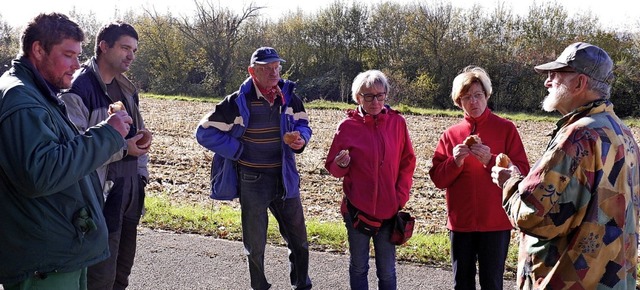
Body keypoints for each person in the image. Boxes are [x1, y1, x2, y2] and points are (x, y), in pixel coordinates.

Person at [0, 13, 133, 289]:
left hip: (59, 252)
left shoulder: (37, 92)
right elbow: (41, 172)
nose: (76, 65)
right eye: (69, 55)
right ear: (38, 50)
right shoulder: (22, 100)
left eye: (78, 55)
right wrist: (108, 134)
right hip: (45, 262)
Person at [491, 42, 639, 289]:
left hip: (570, 281)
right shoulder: (624, 133)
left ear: (580, 83)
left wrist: (510, 183)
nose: (547, 82)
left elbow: (534, 216)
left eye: (555, 75)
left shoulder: (578, 136)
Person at [195, 47, 312, 290]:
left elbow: (304, 124)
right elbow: (203, 132)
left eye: (277, 67)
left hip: (284, 178)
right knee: (255, 245)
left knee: (299, 240)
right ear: (252, 71)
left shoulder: (290, 97)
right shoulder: (236, 102)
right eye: (267, 68)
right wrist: (237, 151)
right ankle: (259, 286)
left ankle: (302, 285)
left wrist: (301, 138)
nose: (274, 73)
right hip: (252, 179)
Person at [59, 21, 151, 290]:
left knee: (122, 274)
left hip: (129, 193)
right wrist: (124, 149)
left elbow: (138, 133)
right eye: (124, 48)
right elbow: (74, 148)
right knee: (99, 278)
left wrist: (141, 174)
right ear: (103, 46)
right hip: (99, 196)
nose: (131, 55)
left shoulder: (127, 89)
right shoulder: (78, 88)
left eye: (134, 50)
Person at [429, 66, 530, 290]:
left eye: (478, 95)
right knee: (461, 283)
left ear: (486, 96)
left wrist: (491, 160)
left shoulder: (506, 129)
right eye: (466, 97)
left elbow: (522, 171)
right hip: (461, 223)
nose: (473, 102)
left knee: (492, 283)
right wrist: (454, 162)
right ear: (458, 102)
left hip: (496, 222)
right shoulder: (450, 134)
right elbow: (438, 179)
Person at [324, 70, 416, 290]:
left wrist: (400, 197)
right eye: (369, 96)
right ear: (358, 97)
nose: (375, 101)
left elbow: (408, 162)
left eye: (380, 95)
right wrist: (341, 164)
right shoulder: (347, 127)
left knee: (387, 271)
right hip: (357, 211)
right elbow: (333, 168)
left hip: (388, 212)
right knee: (359, 267)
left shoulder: (397, 123)